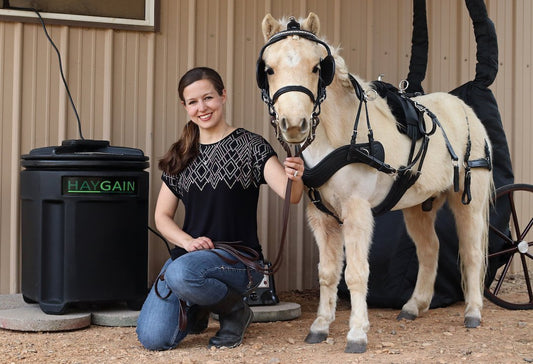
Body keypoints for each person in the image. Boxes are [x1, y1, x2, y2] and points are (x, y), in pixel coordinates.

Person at [136, 67, 304, 351]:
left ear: (223, 96)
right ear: (185, 106)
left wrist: (296, 177)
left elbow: (292, 197)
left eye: (208, 98)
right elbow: (161, 217)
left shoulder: (251, 146)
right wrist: (187, 242)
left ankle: (235, 310)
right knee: (153, 338)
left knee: (181, 275)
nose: (202, 108)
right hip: (189, 258)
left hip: (238, 260)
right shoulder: (181, 153)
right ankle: (201, 300)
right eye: (193, 102)